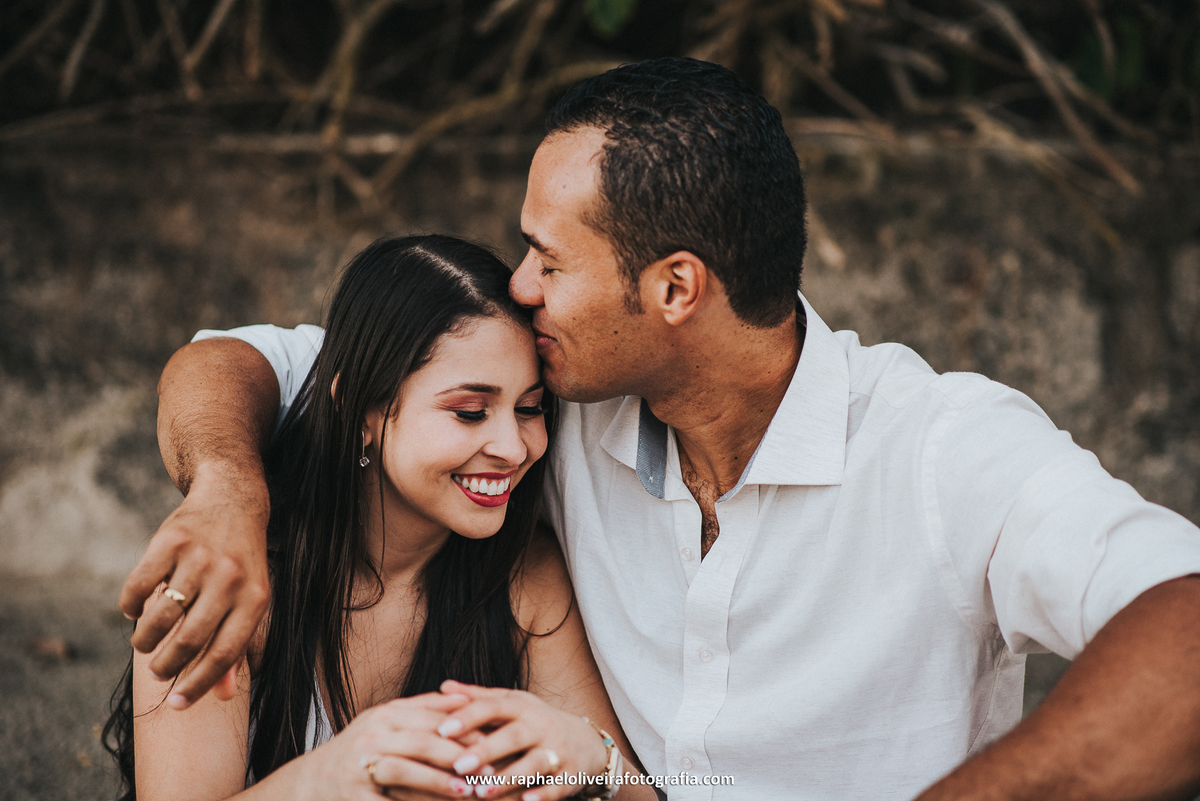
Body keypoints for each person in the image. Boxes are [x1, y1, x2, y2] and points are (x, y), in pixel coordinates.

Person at [120, 58, 1200, 801]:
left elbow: (1185, 618)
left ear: (676, 287)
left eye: (550, 257)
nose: (522, 285)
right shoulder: (551, 401)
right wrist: (227, 485)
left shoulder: (939, 451)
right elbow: (239, 362)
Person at [106, 235, 656, 801]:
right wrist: (330, 778)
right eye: (470, 412)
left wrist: (600, 764)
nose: (514, 448)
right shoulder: (226, 579)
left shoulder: (524, 579)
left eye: (528, 408)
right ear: (358, 411)